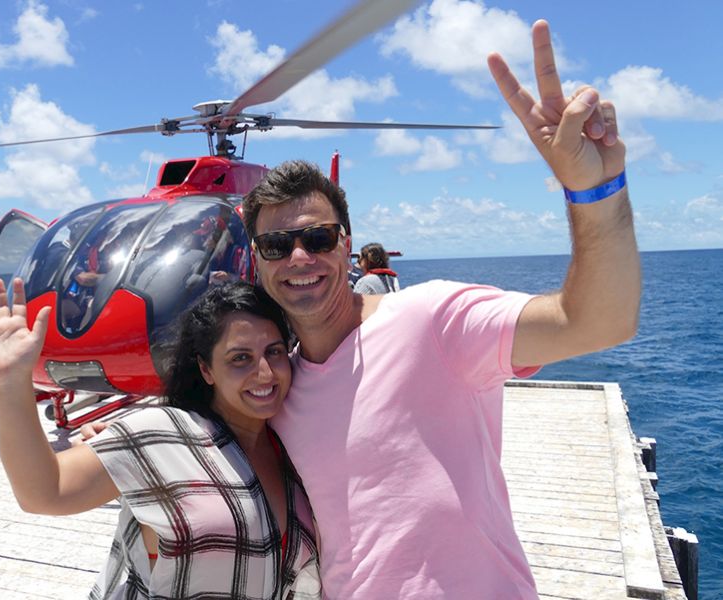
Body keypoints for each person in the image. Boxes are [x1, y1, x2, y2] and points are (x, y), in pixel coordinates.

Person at [238, 20, 640, 599]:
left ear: (347, 245)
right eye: (277, 245)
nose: (299, 257)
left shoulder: (433, 319)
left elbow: (598, 323)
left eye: (318, 238)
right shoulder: (277, 387)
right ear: (256, 259)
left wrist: (595, 193)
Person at [0, 279, 320, 599]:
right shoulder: (163, 433)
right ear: (206, 369)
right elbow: (45, 491)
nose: (264, 372)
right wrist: (11, 382)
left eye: (274, 351)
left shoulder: (291, 447)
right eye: (240, 358)